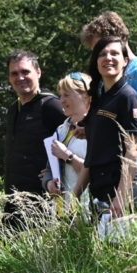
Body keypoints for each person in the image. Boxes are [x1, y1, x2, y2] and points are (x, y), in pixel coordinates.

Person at [79, 12, 137, 197]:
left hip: (135, 172)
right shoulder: (106, 78)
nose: (99, 56)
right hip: (107, 172)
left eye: (101, 47)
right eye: (97, 52)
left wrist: (106, 131)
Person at [72, 38, 137, 217]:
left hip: (121, 194)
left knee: (123, 246)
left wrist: (120, 197)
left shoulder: (128, 97)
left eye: (114, 53)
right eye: (102, 54)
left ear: (125, 61)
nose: (108, 58)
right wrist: (75, 196)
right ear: (96, 62)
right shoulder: (100, 99)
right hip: (99, 191)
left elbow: (134, 149)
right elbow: (93, 155)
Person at [3, 50, 66, 227]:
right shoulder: (12, 109)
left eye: (25, 72)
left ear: (38, 73)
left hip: (43, 200)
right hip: (13, 200)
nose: (20, 78)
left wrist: (53, 174)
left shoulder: (51, 105)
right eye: (14, 73)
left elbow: (75, 142)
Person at [43, 72, 91, 209]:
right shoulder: (60, 130)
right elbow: (49, 170)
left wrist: (67, 156)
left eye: (67, 95)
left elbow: (96, 172)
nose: (61, 100)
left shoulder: (97, 129)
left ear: (85, 95)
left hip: (86, 209)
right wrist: (48, 184)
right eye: (61, 95)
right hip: (60, 210)